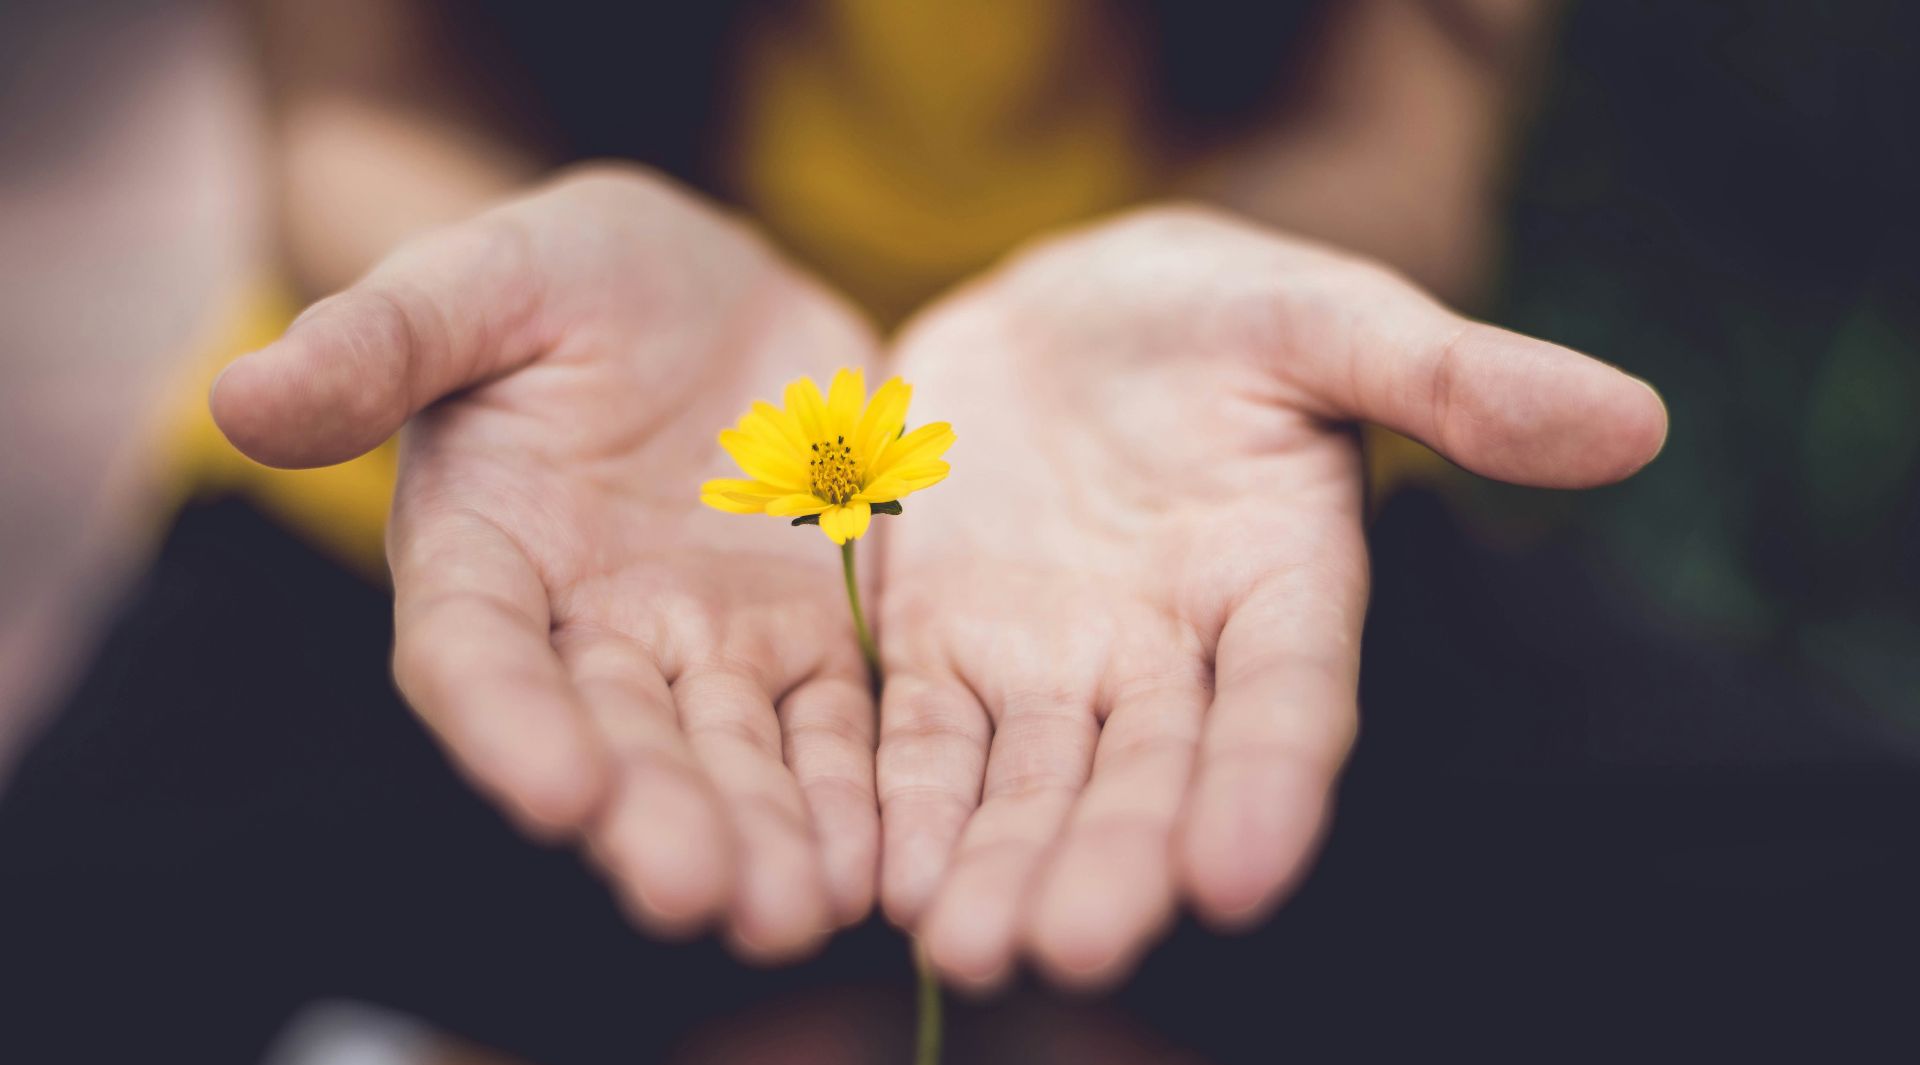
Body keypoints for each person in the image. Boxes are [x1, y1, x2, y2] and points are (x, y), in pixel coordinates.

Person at [203, 0, 1665, 994]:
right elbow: (354, 101)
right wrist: (490, 277)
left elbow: (1406, 129)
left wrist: (1227, 282)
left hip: (1196, 515)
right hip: (549, 498)